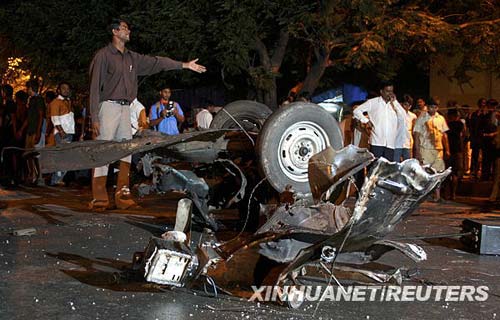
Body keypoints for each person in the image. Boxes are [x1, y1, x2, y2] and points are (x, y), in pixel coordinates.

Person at [88, 18, 206, 211]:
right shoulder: (103, 55)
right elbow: (94, 88)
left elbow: (157, 62)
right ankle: (99, 198)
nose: (129, 31)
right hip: (108, 107)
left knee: (125, 151)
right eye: (125, 28)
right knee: (103, 151)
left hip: (127, 108)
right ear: (115, 31)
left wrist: (184, 65)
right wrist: (94, 117)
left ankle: (123, 196)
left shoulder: (132, 58)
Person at [352, 82, 407, 161]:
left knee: (387, 169)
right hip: (377, 142)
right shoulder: (373, 102)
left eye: (391, 91)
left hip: (390, 143)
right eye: (387, 91)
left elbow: (403, 116)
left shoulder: (394, 105)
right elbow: (357, 111)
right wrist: (366, 121)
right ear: (381, 91)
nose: (390, 94)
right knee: (374, 166)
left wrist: (395, 102)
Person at [413, 98, 450, 201]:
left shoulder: (440, 118)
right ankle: (426, 194)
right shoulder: (422, 118)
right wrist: (417, 150)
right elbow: (416, 134)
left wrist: (447, 149)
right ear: (427, 107)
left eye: (435, 107)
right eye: (431, 107)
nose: (433, 109)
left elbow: (444, 134)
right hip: (425, 148)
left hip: (438, 149)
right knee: (426, 173)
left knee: (439, 172)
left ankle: (437, 195)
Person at [49, 82, 75, 186]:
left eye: (67, 88)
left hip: (68, 132)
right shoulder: (56, 102)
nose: (66, 90)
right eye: (63, 88)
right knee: (63, 157)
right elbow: (55, 118)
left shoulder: (68, 101)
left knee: (65, 157)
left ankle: (57, 180)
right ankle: (56, 180)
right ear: (58, 90)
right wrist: (61, 131)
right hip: (62, 134)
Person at [23, 79, 46, 185]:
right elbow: (28, 117)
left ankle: (38, 176)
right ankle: (31, 175)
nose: (27, 90)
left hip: (35, 130)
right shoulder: (31, 100)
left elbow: (41, 116)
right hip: (30, 130)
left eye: (28, 88)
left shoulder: (39, 100)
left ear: (31, 88)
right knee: (28, 154)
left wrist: (38, 132)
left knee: (36, 154)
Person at [445, 108, 465, 200]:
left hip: (448, 150)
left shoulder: (446, 125)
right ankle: (453, 194)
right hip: (457, 151)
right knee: (455, 174)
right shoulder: (460, 124)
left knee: (448, 173)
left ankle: (447, 193)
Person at [394, 94, 417, 162]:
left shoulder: (413, 116)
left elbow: (414, 130)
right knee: (396, 163)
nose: (407, 107)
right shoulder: (396, 114)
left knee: (407, 164)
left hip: (408, 143)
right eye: (405, 104)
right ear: (401, 104)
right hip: (397, 143)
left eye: (409, 105)